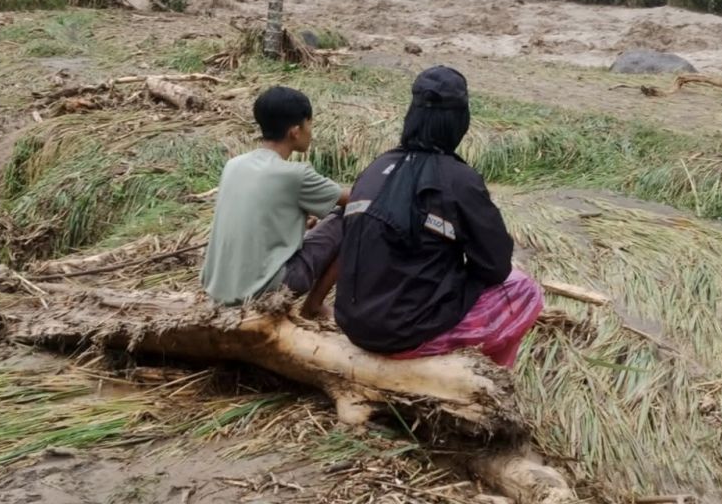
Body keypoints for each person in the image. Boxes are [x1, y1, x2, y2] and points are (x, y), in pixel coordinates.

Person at [333, 66, 543, 367]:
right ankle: (494, 375)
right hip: (405, 334)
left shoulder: (376, 167)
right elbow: (496, 267)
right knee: (524, 290)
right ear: (460, 121)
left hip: (353, 324)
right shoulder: (459, 180)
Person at [201, 86, 350, 318]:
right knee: (350, 217)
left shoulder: (234, 165)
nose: (311, 132)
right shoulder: (295, 175)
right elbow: (356, 198)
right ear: (295, 131)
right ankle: (314, 306)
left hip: (218, 291)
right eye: (309, 125)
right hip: (265, 290)